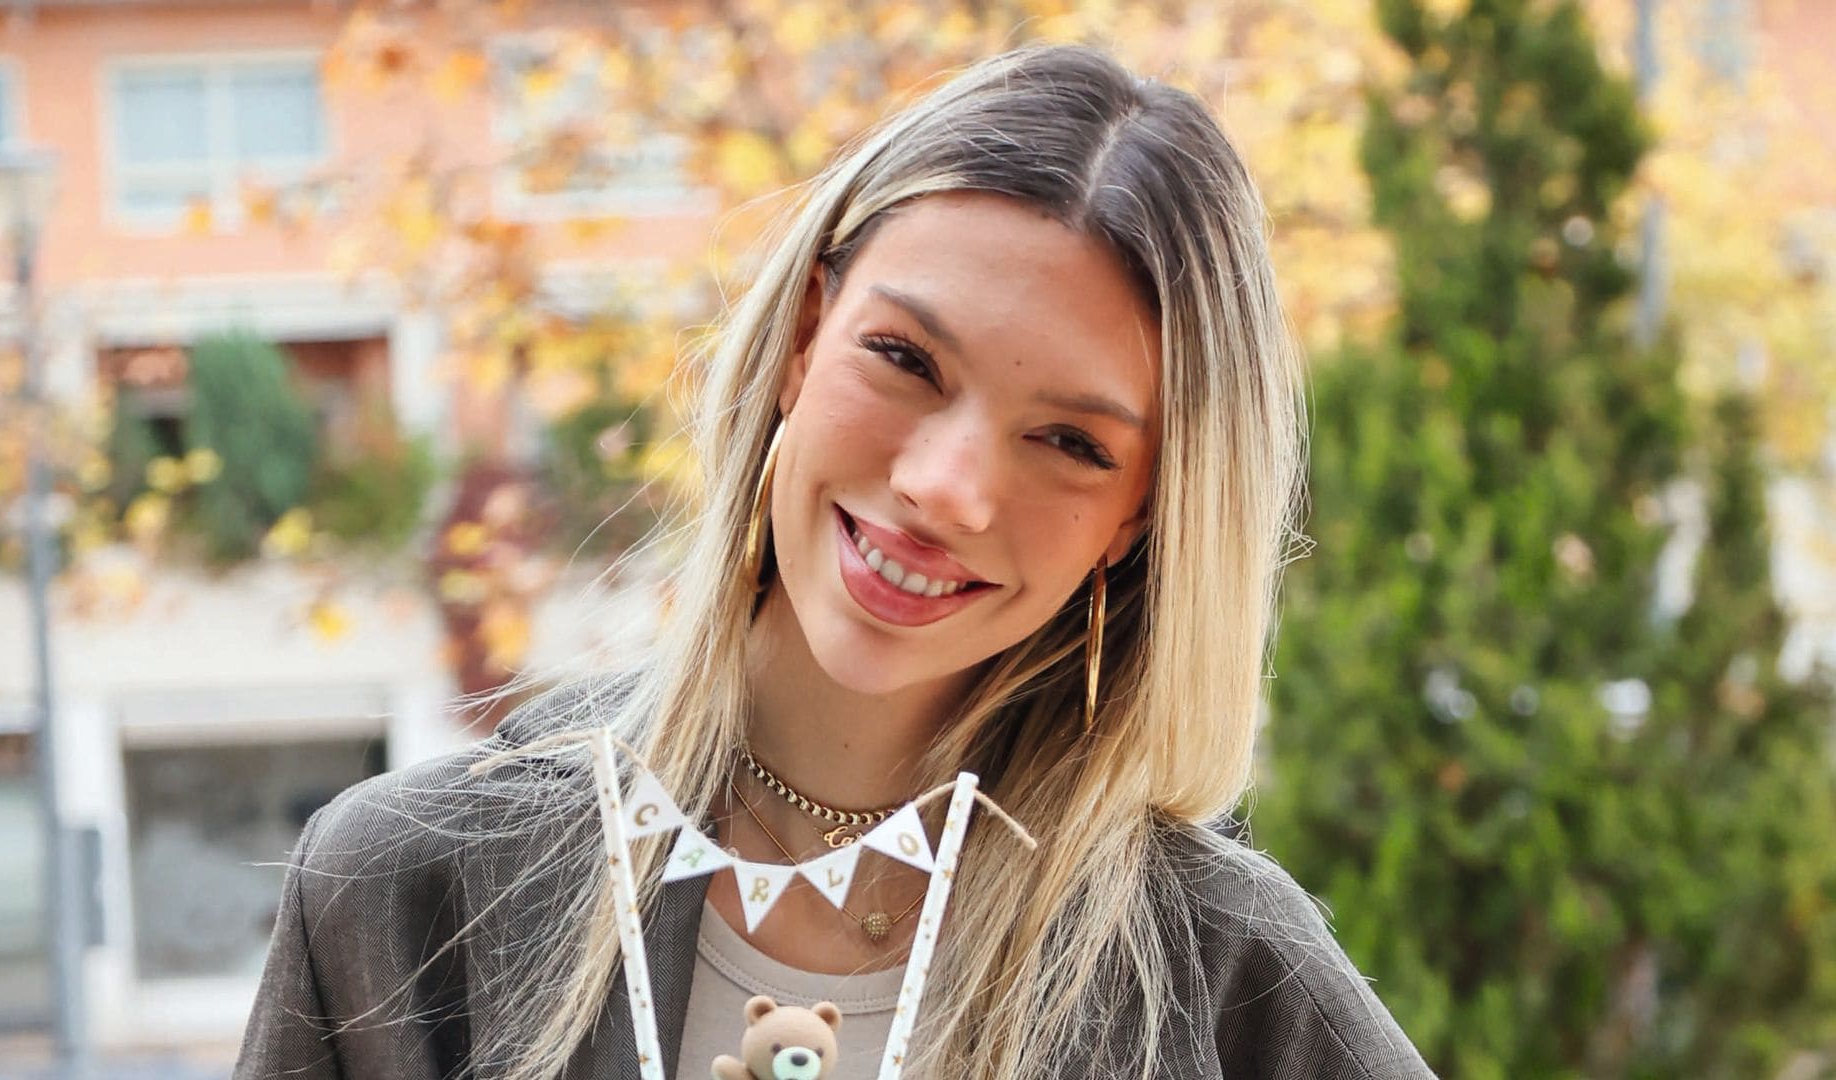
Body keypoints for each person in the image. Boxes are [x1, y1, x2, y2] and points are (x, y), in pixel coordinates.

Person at [236, 44, 1435, 1079]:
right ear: (807, 338)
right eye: (907, 360)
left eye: (1070, 442)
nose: (943, 487)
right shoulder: (402, 893)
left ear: (1141, 513)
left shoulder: (1232, 985)